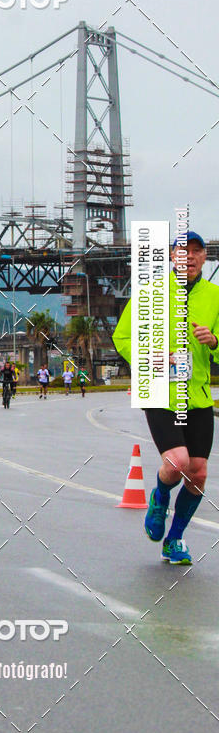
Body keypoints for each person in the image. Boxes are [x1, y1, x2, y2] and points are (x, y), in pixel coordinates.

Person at [113, 231, 219, 565]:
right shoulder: (149, 294)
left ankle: (174, 540)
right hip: (159, 391)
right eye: (183, 251)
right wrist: (154, 356)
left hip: (197, 396)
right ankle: (160, 497)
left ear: (205, 257)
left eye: (197, 251)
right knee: (177, 462)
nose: (190, 256)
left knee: (198, 473)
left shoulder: (215, 296)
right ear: (172, 256)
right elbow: (123, 338)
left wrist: (214, 341)